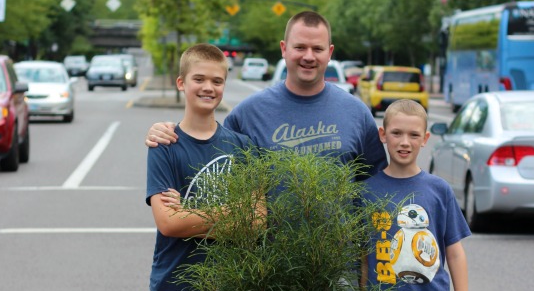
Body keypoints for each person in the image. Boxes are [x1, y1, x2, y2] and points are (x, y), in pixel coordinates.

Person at [144, 43, 254, 291]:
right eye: (199, 79)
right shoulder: (164, 145)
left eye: (217, 80)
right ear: (181, 83)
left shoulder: (240, 148)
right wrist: (229, 215)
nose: (208, 87)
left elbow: (255, 221)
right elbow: (168, 224)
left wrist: (189, 214)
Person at [144, 11, 388, 178]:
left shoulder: (357, 114)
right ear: (284, 49)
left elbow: (378, 189)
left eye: (318, 49)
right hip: (264, 254)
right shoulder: (246, 115)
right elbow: (209, 158)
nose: (309, 56)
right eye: (300, 47)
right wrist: (167, 133)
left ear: (330, 52)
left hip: (339, 254)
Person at [361, 99, 472, 291]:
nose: (404, 142)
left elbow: (456, 254)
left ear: (425, 139)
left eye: (413, 135)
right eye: (396, 133)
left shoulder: (439, 190)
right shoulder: (365, 191)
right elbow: (361, 258)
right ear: (382, 135)